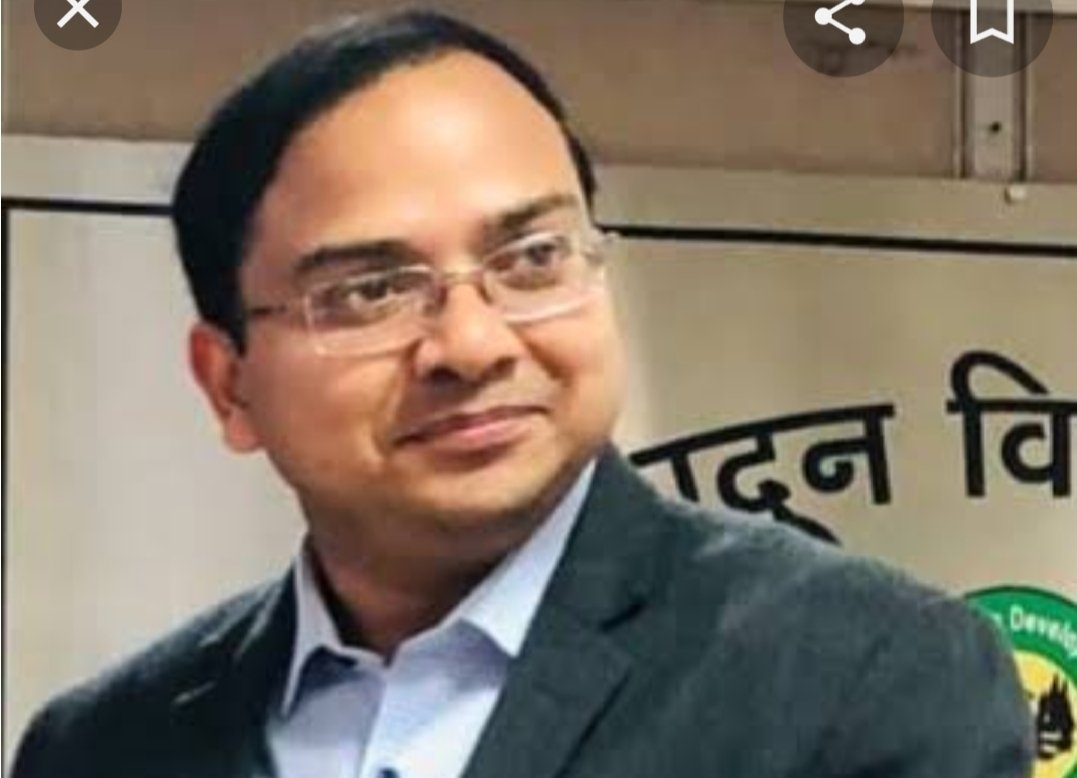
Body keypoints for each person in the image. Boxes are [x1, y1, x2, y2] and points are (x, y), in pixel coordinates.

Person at [12, 9, 1034, 778]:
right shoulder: (103, 745)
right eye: (371, 290)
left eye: (533, 258)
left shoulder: (859, 674)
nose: (471, 343)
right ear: (229, 384)